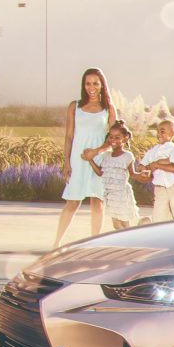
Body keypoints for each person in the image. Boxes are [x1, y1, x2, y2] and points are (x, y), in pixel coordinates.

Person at [53, 67, 115, 247]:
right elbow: (69, 136)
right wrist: (66, 162)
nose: (91, 87)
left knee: (97, 202)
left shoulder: (108, 109)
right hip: (78, 160)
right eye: (88, 83)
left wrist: (96, 152)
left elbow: (115, 139)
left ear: (102, 85)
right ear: (83, 85)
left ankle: (94, 244)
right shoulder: (75, 106)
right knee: (72, 202)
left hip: (99, 160)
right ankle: (56, 244)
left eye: (95, 83)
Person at [83, 120, 138, 233]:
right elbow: (101, 173)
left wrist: (143, 175)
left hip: (121, 194)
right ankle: (124, 243)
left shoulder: (127, 156)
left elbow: (132, 174)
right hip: (111, 195)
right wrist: (90, 160)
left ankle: (130, 243)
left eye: (117, 137)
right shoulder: (106, 156)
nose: (113, 140)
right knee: (116, 224)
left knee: (123, 222)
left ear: (125, 138)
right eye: (111, 137)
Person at [136, 117, 174, 220]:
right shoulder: (153, 150)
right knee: (158, 215)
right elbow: (142, 164)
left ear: (171, 134)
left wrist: (157, 165)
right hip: (160, 187)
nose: (158, 134)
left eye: (162, 132)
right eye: (157, 132)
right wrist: (144, 170)